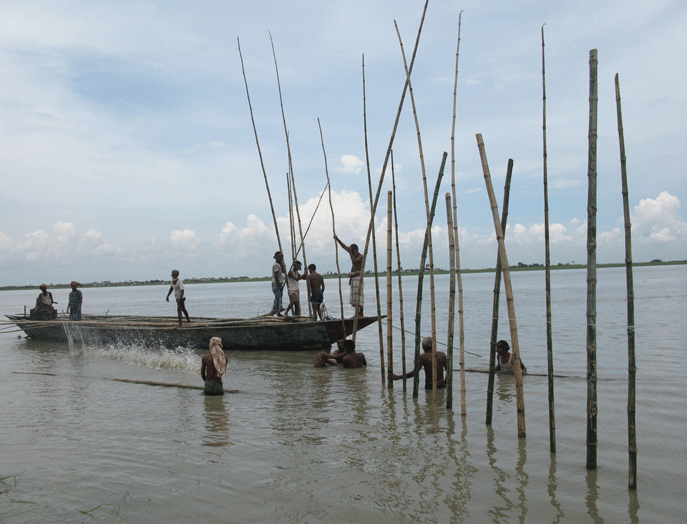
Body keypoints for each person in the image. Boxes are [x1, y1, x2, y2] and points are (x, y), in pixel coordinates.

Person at [333, 234, 364, 317]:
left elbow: (354, 261)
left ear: (356, 250)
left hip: (358, 277)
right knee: (354, 297)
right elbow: (344, 247)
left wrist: (350, 252)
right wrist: (337, 239)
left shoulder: (361, 257)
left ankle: (361, 313)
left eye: (352, 251)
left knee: (359, 296)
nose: (351, 252)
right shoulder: (353, 253)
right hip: (353, 278)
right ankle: (357, 313)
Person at [270, 251, 287, 316]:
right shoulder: (275, 265)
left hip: (279, 283)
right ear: (277, 257)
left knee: (279, 297)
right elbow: (276, 276)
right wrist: (280, 285)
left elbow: (283, 271)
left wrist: (282, 264)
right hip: (276, 284)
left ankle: (278, 312)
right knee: (277, 297)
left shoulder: (279, 264)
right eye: (281, 256)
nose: (282, 258)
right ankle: (273, 312)